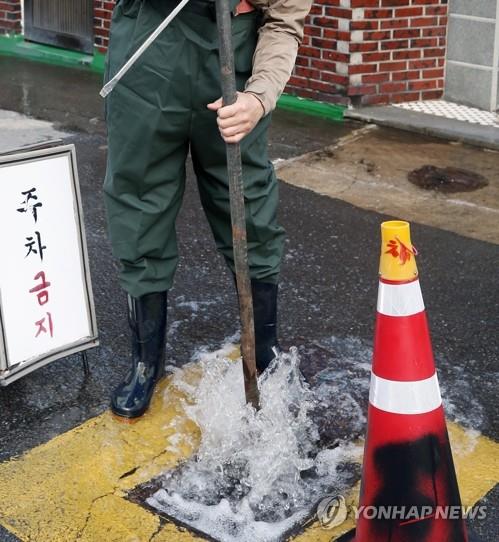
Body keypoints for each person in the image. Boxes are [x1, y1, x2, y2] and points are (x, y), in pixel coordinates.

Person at [103, 0, 313, 418]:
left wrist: (259, 97)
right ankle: (146, 360)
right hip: (152, 45)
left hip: (234, 54)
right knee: (140, 202)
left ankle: (263, 352)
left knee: (248, 205)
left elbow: (284, 22)